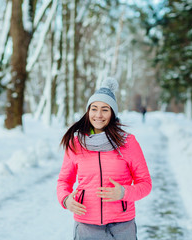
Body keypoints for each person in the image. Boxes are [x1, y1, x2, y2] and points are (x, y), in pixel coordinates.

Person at [57, 77, 152, 240]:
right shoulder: (76, 143)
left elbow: (145, 184)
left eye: (105, 109)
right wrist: (66, 200)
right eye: (94, 109)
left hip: (122, 225)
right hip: (86, 224)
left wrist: (123, 192)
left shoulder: (128, 142)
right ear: (88, 111)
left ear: (113, 113)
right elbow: (64, 181)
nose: (98, 115)